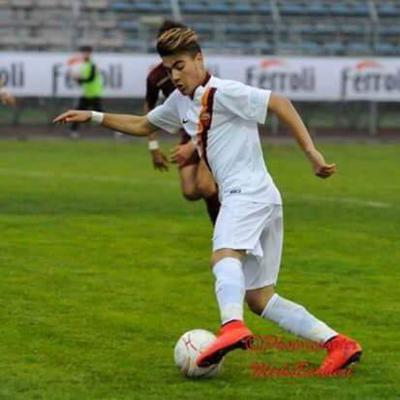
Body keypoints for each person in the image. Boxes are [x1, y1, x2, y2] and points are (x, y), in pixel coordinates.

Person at [53, 27, 362, 375]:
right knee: (260, 298)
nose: (175, 76)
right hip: (263, 197)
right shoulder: (179, 101)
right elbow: (143, 124)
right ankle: (338, 343)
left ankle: (232, 326)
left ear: (199, 59)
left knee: (223, 256)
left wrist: (312, 153)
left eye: (180, 66)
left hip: (247, 194)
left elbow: (279, 102)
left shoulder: (223, 91)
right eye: (169, 69)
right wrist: (93, 116)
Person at [144, 20, 220, 225]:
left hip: (210, 129)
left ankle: (225, 233)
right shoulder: (156, 77)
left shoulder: (195, 71)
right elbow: (148, 111)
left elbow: (212, 111)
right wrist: (153, 146)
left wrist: (192, 146)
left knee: (205, 185)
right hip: (189, 131)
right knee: (190, 191)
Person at [68, 46, 104, 138]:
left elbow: (90, 78)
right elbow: (83, 80)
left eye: (87, 52)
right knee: (79, 112)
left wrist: (79, 79)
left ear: (90, 54)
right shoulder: (84, 65)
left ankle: (117, 129)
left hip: (94, 93)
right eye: (83, 53)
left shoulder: (92, 64)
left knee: (101, 115)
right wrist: (78, 80)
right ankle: (73, 131)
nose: (85, 54)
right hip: (87, 93)